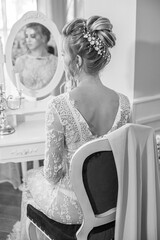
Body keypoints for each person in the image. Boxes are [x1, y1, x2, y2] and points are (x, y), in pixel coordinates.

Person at [7, 16, 131, 240]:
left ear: (78, 62)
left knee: (30, 178)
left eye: (63, 54)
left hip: (75, 207)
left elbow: (53, 175)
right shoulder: (123, 103)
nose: (61, 59)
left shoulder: (59, 105)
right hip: (111, 201)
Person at [14, 23, 58, 90]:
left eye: (32, 36)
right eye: (26, 36)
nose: (28, 40)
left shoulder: (56, 62)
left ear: (44, 38)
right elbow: (16, 87)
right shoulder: (21, 61)